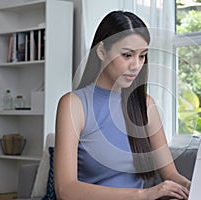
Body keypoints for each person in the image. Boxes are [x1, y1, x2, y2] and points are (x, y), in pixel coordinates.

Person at [54, 10, 191, 200]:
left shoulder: (145, 105)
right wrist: (143, 194)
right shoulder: (74, 105)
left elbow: (170, 175)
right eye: (127, 55)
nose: (136, 65)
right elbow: (65, 190)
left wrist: (190, 186)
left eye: (142, 56)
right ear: (102, 51)